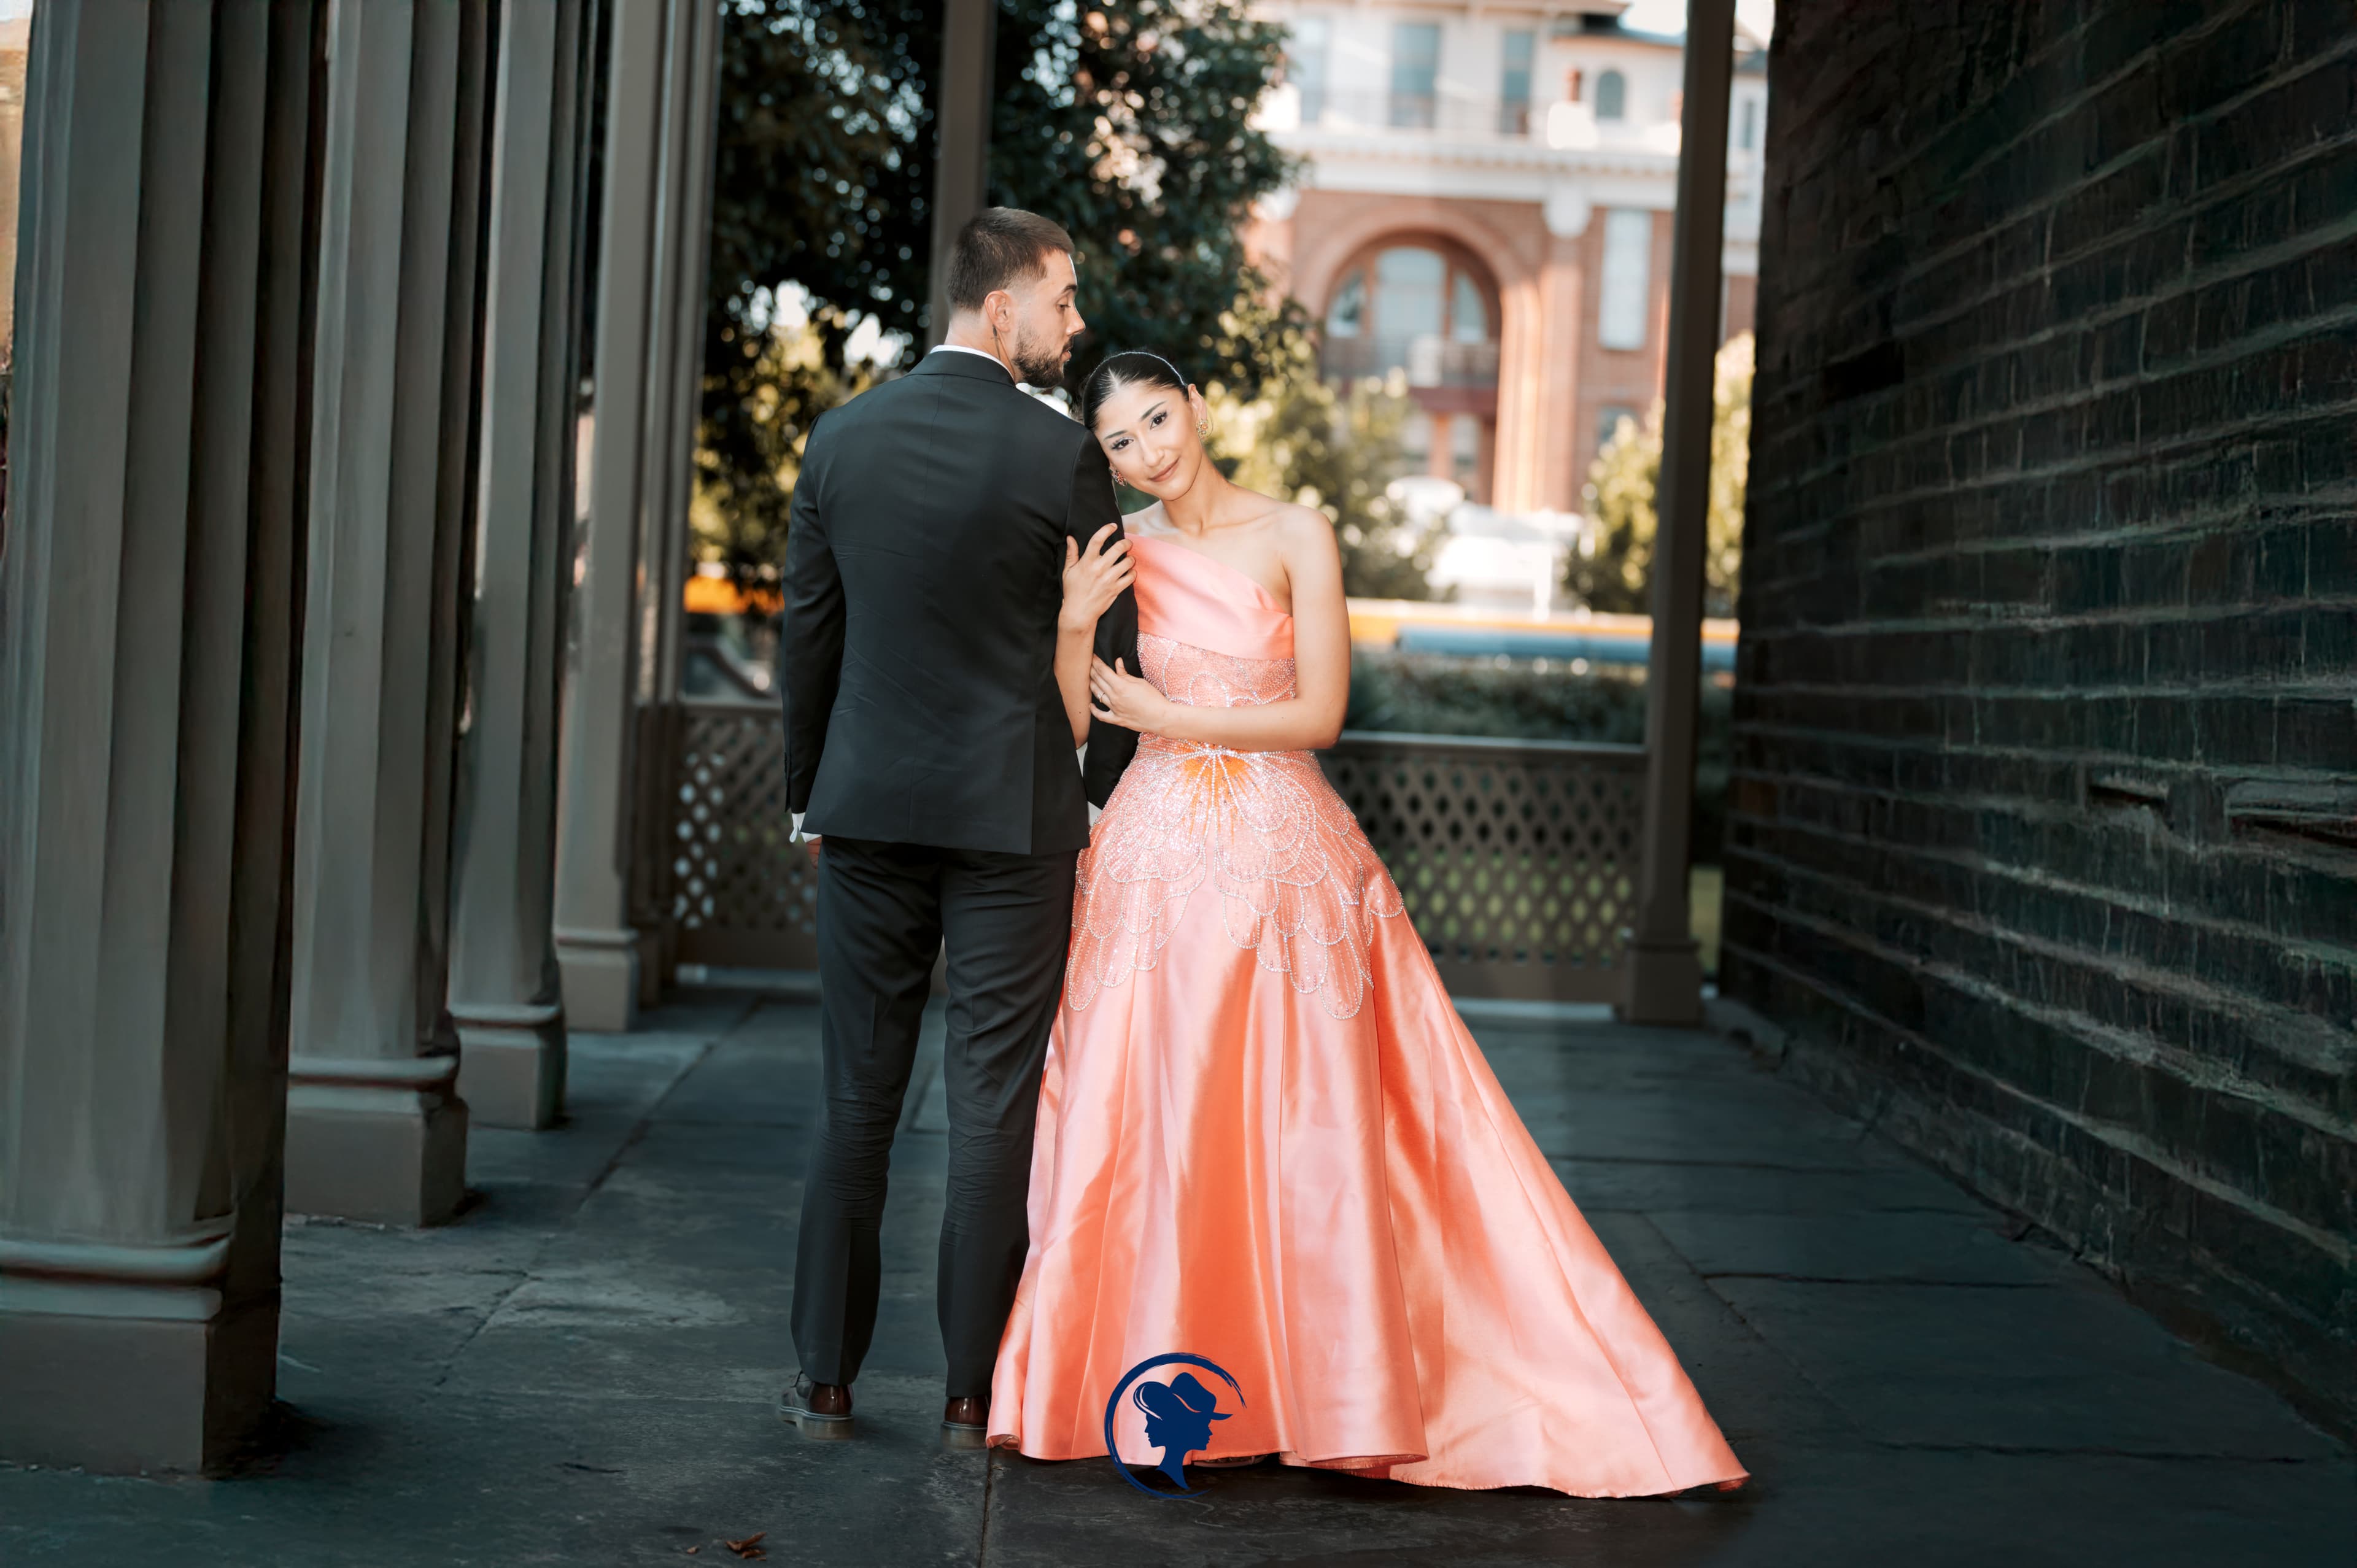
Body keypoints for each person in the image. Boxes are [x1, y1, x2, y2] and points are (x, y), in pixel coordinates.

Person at [986, 351, 1750, 1497]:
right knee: (1150, 1113)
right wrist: (1070, 627)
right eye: (1122, 442)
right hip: (1149, 860)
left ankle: (1329, 1388)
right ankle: (1157, 1384)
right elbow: (1074, 725)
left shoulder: (1297, 531)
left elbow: (1322, 713)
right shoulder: (1117, 550)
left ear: (1195, 403)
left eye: (1158, 418)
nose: (1151, 449)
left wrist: (1169, 711)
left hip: (1286, 858)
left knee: (1308, 1122)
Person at [775, 209, 1142, 1449]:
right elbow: (1117, 662)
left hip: (867, 815)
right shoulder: (1058, 459)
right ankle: (972, 1388)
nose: (1074, 325)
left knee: (854, 1099)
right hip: (1013, 822)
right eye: (1064, 299)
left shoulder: (840, 441)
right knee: (991, 1108)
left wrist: (804, 792)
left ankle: (825, 1375)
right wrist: (1090, 800)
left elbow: (808, 644)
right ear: (1005, 309)